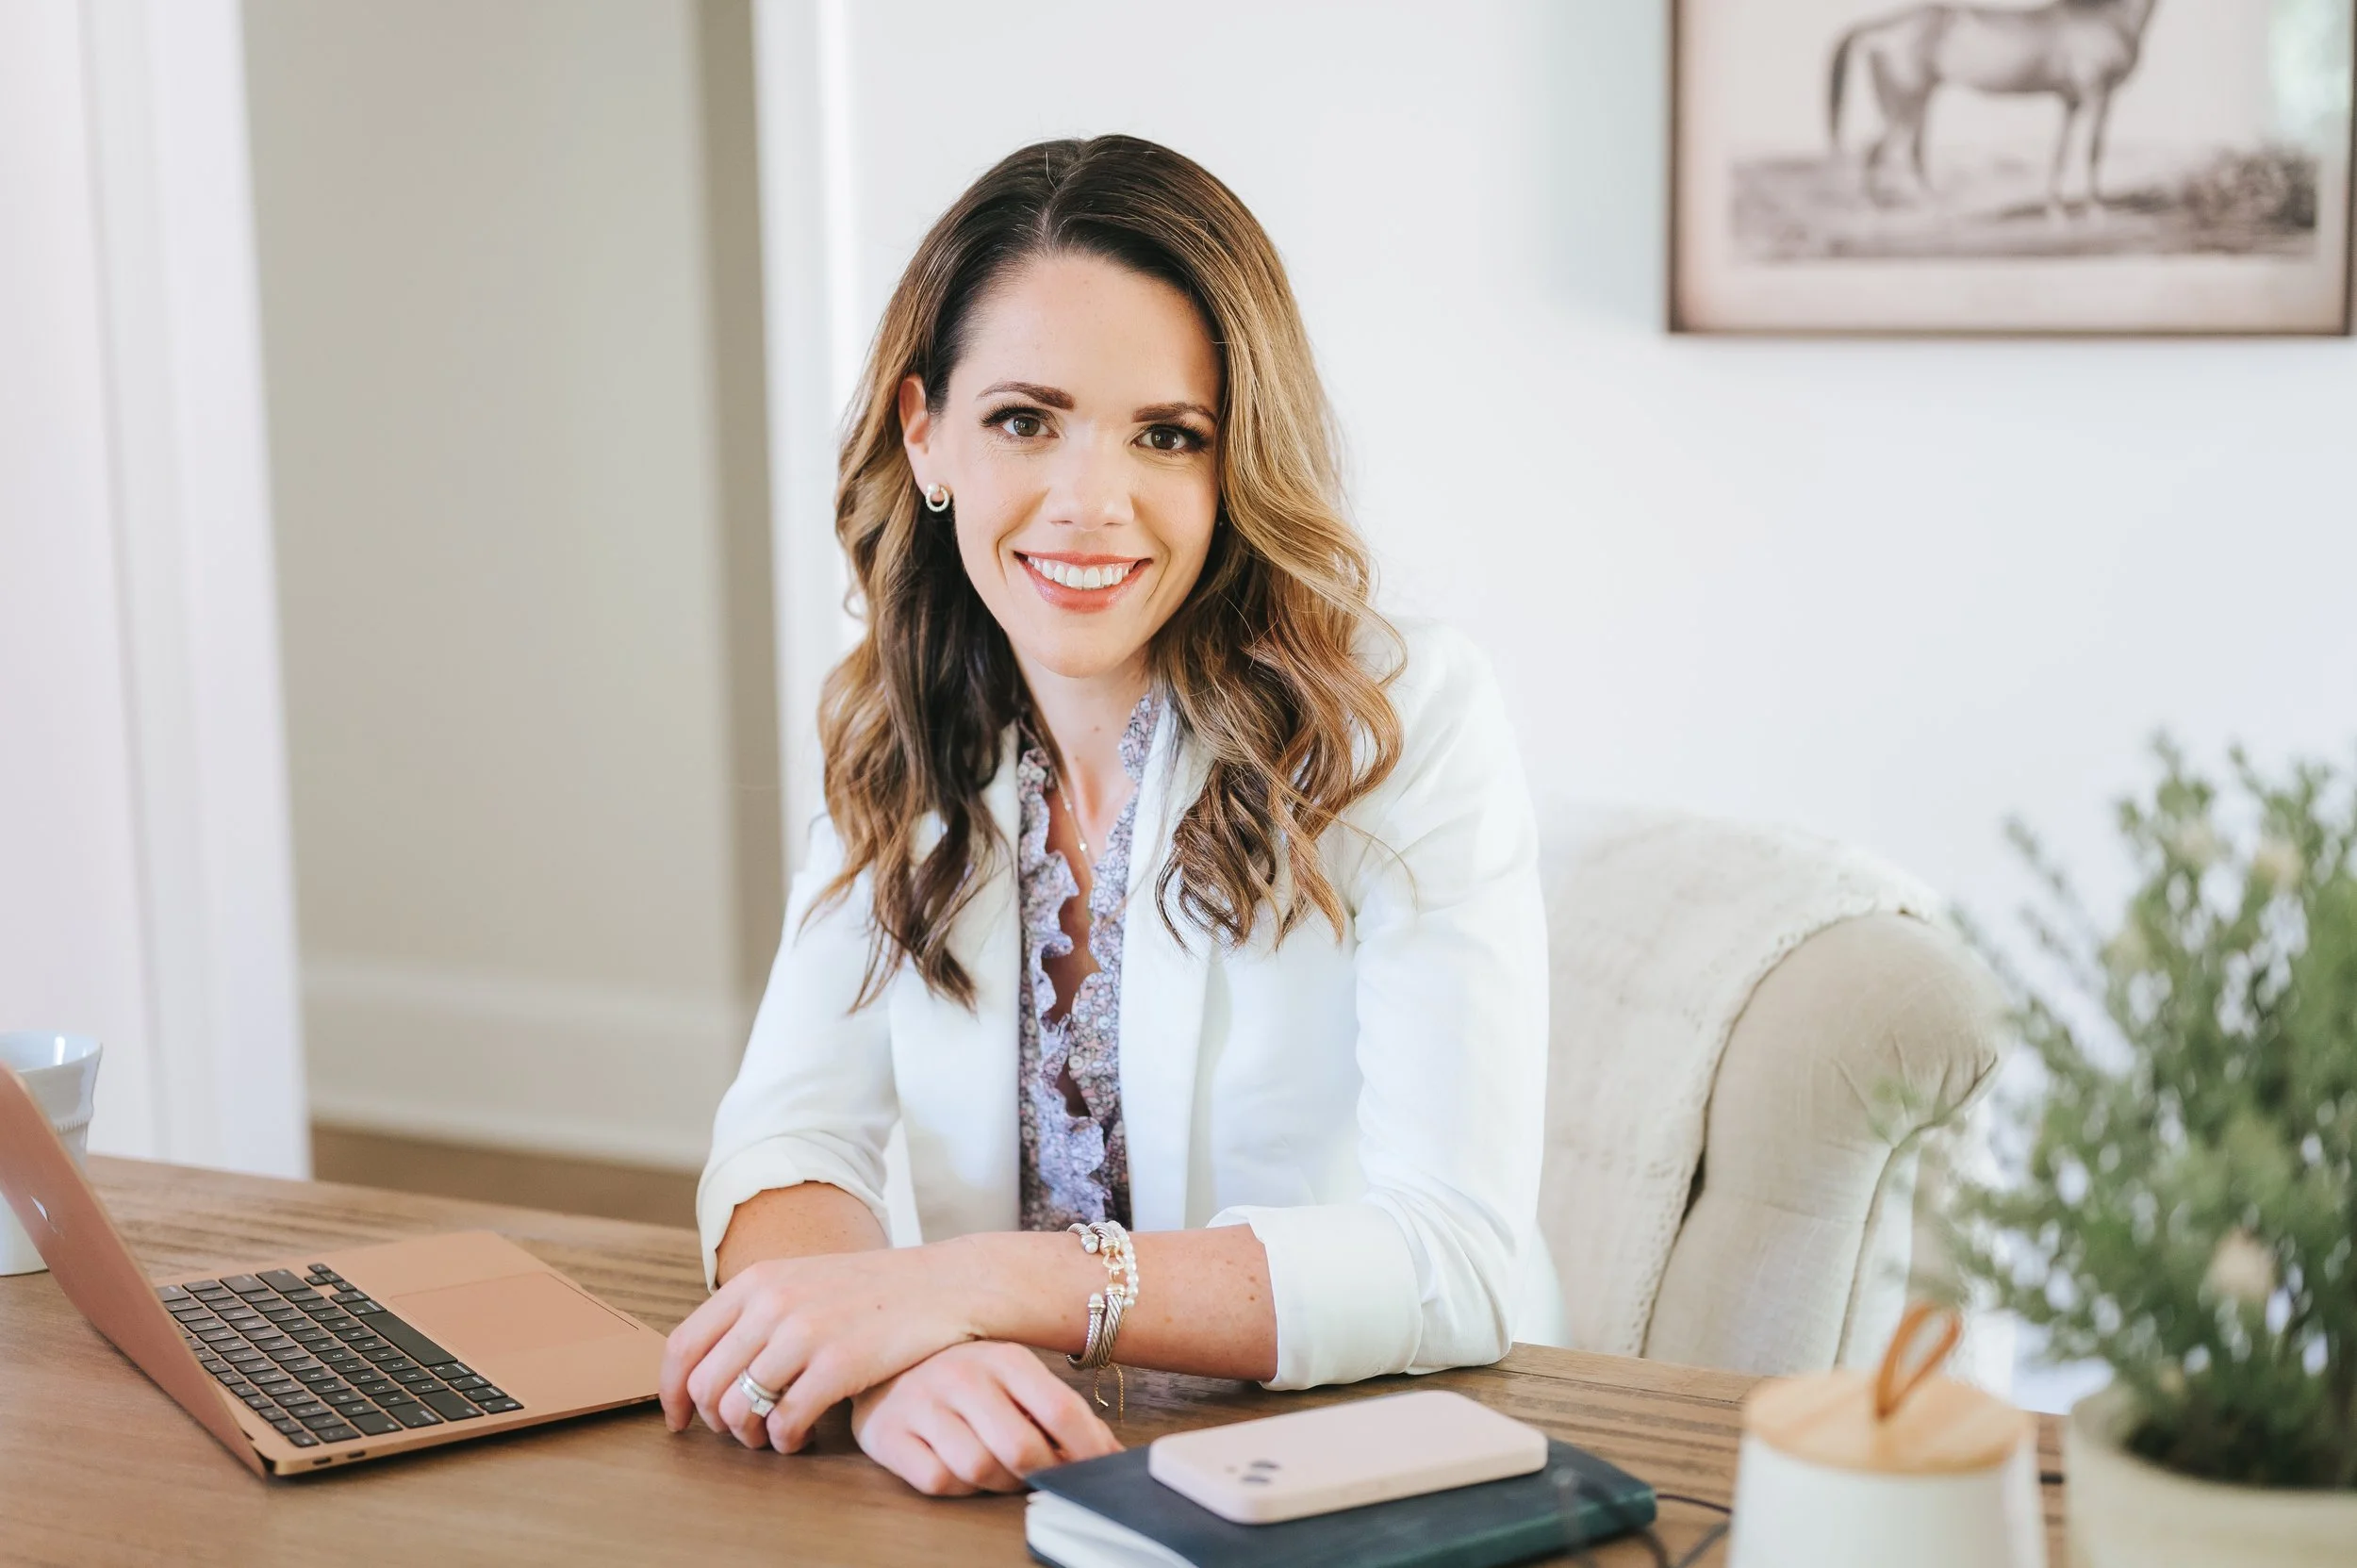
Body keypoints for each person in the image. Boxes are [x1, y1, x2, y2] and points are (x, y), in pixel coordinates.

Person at [659, 134, 1553, 1497]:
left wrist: (970, 1286)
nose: (1091, 502)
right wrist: (903, 1361)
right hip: (1013, 1475)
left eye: (1166, 435)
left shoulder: (1404, 716)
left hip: (1357, 1467)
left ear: (1234, 460)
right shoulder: (897, 719)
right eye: (1026, 418)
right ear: (927, 432)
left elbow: (1455, 1254)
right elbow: (788, 1137)